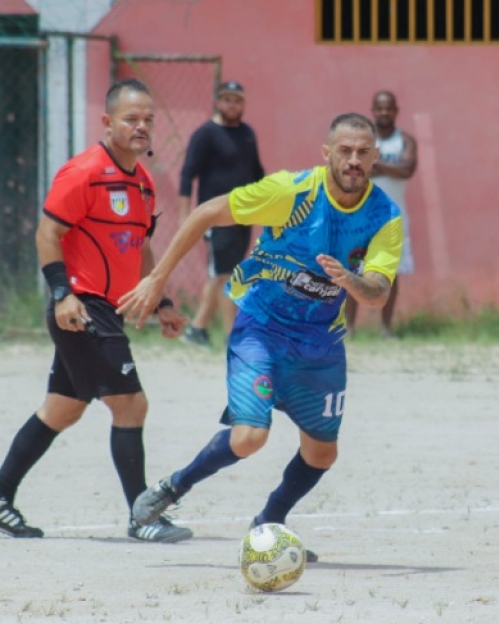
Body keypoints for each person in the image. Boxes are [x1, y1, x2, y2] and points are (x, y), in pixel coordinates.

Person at [117, 113, 402, 562]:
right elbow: (207, 212)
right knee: (250, 436)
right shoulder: (292, 192)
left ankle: (268, 522)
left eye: (363, 152)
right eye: (344, 151)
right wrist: (157, 279)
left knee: (323, 453)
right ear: (326, 154)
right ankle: (174, 486)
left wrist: (351, 280)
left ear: (375, 157)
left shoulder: (384, 215)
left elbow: (378, 294)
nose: (353, 160)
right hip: (262, 329)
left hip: (320, 345)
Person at [0, 78, 192, 542]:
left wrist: (161, 298)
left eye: (148, 119)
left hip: (109, 309)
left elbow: (142, 248)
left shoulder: (144, 183)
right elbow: (47, 234)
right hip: (82, 307)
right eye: (131, 118)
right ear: (107, 122)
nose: (141, 126)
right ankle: (141, 516)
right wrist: (62, 293)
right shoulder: (83, 171)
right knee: (131, 404)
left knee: (62, 410)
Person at [178, 81, 265, 347]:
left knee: (228, 272)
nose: (232, 105)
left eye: (237, 100)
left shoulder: (247, 134)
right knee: (226, 274)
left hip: (243, 215)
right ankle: (232, 336)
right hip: (215, 215)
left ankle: (197, 329)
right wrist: (185, 217)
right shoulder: (206, 134)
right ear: (217, 102)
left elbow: (257, 173)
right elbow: (187, 174)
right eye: (227, 100)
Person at [344, 90, 416, 338]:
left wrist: (375, 165)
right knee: (353, 271)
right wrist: (379, 167)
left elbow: (407, 168)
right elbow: (349, 169)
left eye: (389, 108)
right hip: (360, 215)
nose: (384, 112)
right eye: (379, 108)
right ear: (373, 110)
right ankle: (349, 329)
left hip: (393, 217)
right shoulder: (363, 140)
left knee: (390, 273)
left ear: (396, 110)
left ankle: (385, 328)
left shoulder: (405, 141)